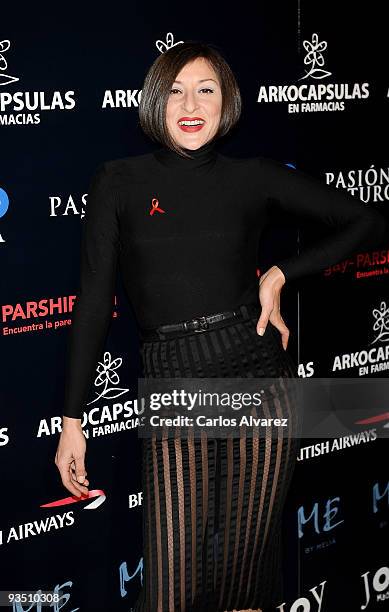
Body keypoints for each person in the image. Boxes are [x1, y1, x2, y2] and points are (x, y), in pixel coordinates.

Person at [55, 41, 387, 612]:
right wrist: (72, 417)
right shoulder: (117, 181)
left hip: (259, 378)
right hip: (175, 381)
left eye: (206, 89)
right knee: (170, 590)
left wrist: (282, 272)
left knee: (243, 579)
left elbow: (367, 220)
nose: (191, 103)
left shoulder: (253, 177)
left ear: (226, 101)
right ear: (156, 100)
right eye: (176, 89)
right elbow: (92, 302)